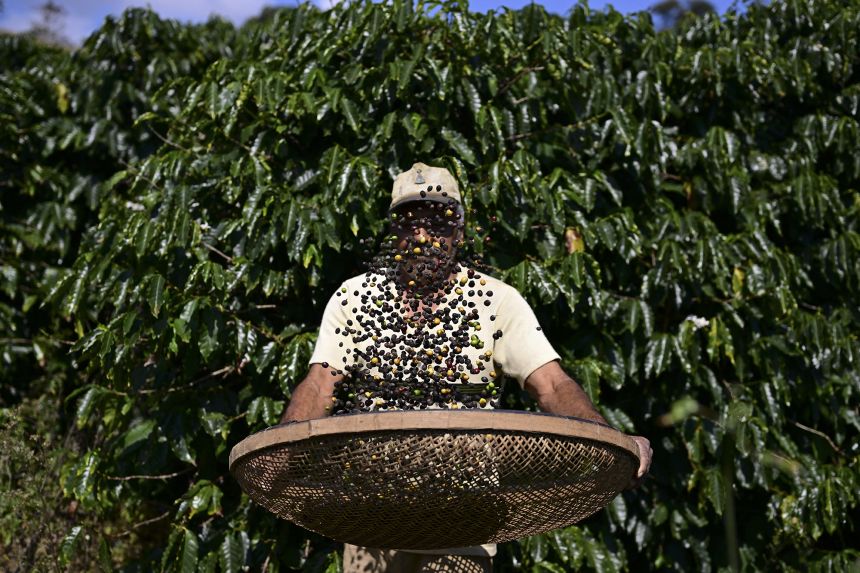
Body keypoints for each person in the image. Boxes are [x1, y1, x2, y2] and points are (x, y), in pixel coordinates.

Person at [280, 162, 653, 573]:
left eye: (438, 223)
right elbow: (320, 385)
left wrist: (608, 437)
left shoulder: (494, 301)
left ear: (458, 231)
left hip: (462, 520)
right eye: (409, 223)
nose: (423, 236)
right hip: (373, 522)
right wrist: (284, 442)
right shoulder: (356, 298)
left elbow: (551, 384)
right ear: (394, 232)